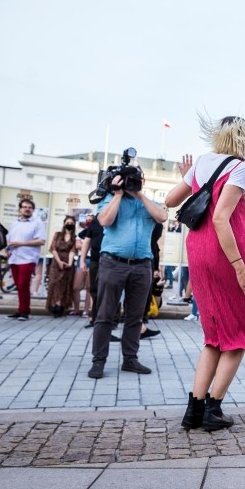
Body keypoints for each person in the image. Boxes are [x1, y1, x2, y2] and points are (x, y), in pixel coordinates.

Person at [166, 115, 245, 431]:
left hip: (197, 250)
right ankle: (213, 409)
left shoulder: (202, 162)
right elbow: (222, 219)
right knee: (239, 335)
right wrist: (241, 269)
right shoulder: (239, 167)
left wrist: (191, 180)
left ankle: (193, 410)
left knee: (214, 336)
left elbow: (169, 201)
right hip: (225, 253)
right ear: (243, 139)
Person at [88, 153, 167, 379]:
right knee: (105, 314)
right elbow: (104, 221)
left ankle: (130, 359)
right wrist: (117, 194)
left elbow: (162, 216)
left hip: (141, 266)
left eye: (137, 180)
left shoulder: (146, 203)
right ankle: (99, 361)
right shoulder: (110, 199)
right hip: (113, 263)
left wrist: (139, 194)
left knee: (135, 317)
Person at [6, 198, 47, 321]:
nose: (27, 209)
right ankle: (20, 309)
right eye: (24, 207)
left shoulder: (37, 223)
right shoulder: (15, 223)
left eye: (29, 207)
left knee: (24, 284)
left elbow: (41, 241)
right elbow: (9, 239)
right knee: (19, 285)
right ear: (20, 209)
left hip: (28, 258)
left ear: (33, 210)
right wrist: (7, 249)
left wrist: (21, 243)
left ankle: (25, 311)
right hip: (14, 258)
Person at [46, 215, 78, 317]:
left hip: (68, 263)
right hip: (56, 261)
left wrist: (69, 263)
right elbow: (53, 248)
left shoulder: (74, 238)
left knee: (65, 284)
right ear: (64, 224)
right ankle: (54, 304)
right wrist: (59, 261)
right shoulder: (58, 235)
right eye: (68, 223)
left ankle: (61, 306)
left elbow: (73, 251)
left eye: (71, 223)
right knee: (54, 283)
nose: (69, 225)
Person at [78, 213, 104, 328]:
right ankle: (95, 319)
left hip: (111, 261)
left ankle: (112, 320)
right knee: (94, 290)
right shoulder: (96, 221)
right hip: (95, 260)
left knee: (109, 291)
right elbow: (87, 241)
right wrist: (82, 260)